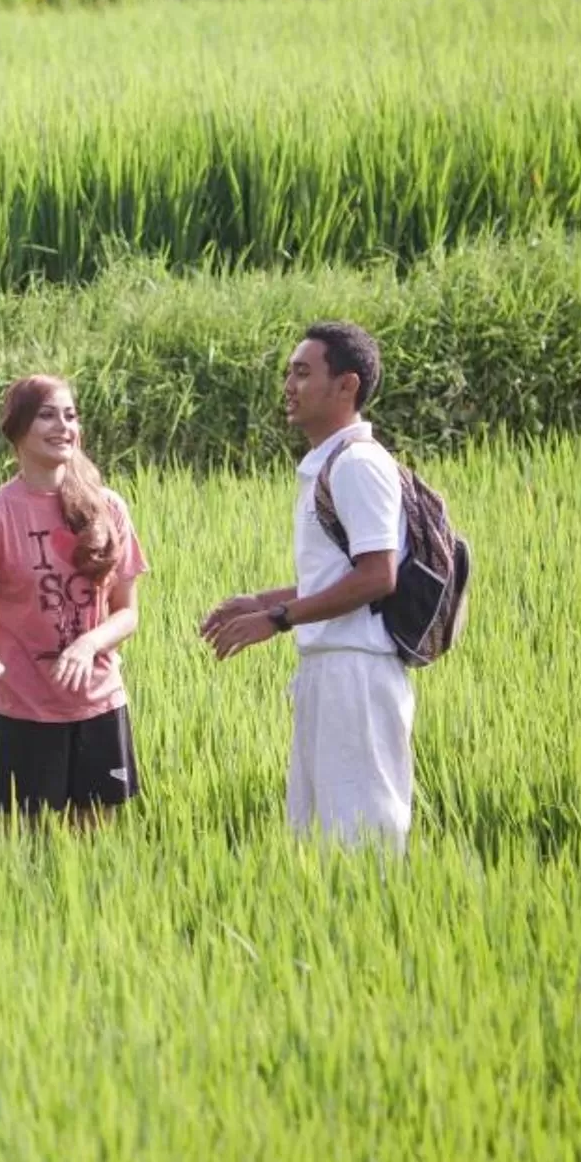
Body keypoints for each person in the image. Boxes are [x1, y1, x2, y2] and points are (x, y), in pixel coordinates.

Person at [199, 321, 414, 849]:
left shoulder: (358, 464)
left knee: (362, 838)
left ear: (346, 385)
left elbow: (377, 576)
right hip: (330, 668)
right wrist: (260, 602)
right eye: (288, 373)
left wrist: (276, 619)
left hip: (357, 671)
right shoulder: (331, 464)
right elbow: (339, 578)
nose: (288, 386)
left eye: (302, 373)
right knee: (320, 838)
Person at [0, 375, 148, 822]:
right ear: (17, 428)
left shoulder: (107, 508)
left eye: (70, 416)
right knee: (26, 844)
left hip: (101, 702)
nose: (64, 426)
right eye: (47, 415)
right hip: (23, 709)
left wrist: (87, 644)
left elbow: (127, 613)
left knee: (95, 846)